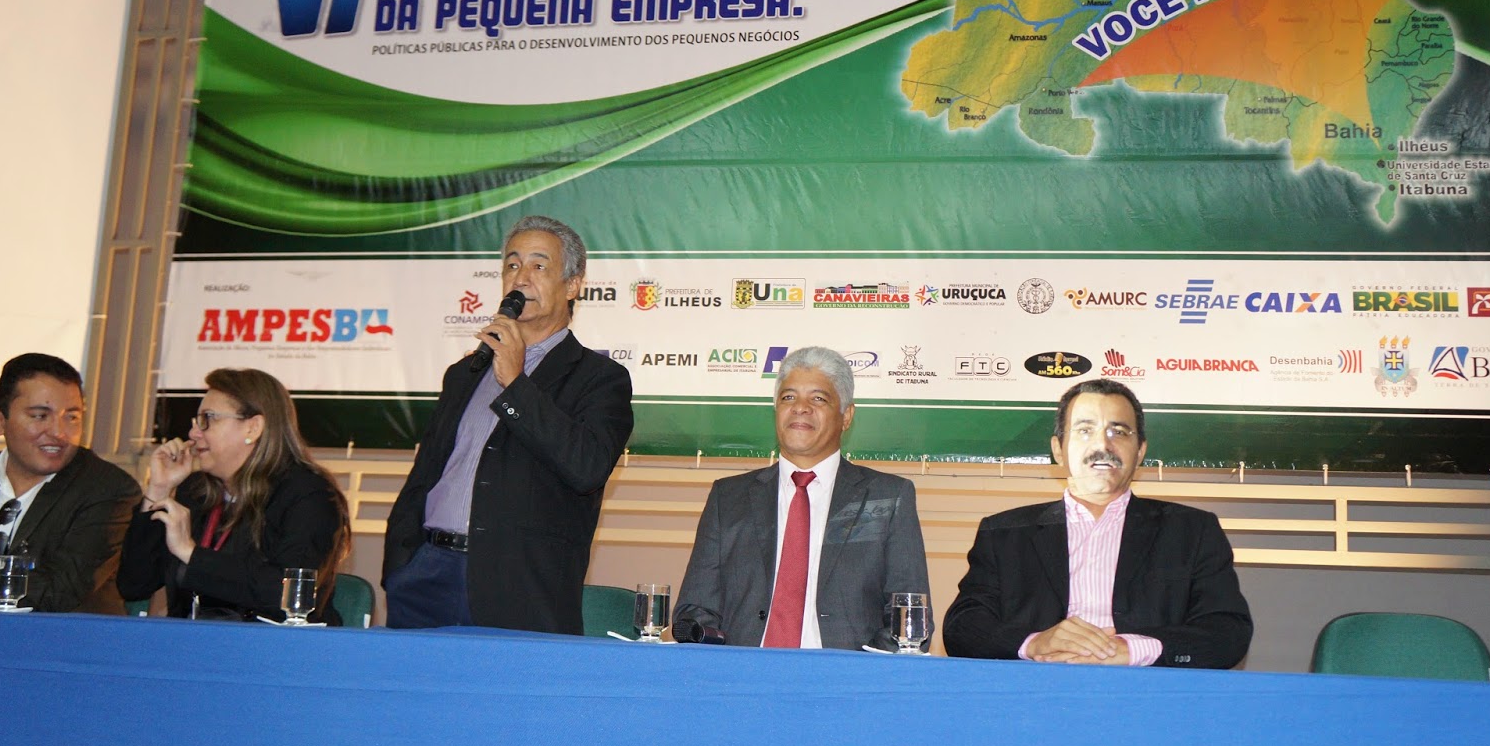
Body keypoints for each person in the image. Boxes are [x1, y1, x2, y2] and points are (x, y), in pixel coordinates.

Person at [382, 215, 633, 632]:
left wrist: (516, 384)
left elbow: (586, 468)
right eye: (512, 265)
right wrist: (401, 563)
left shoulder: (600, 378)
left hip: (519, 588)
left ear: (573, 285)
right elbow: (425, 475)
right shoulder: (464, 374)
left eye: (539, 265)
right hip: (425, 575)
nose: (521, 277)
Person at [943, 379, 1251, 668]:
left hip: (1147, 692)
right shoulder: (1004, 534)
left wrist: (1133, 649)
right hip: (1036, 689)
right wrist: (1034, 643)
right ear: (1058, 449)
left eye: (1119, 431)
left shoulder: (1192, 531)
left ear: (1140, 451)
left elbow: (1228, 632)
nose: (1103, 444)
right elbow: (963, 627)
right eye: (1084, 430)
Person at [674, 346, 932, 650]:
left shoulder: (887, 497)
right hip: (745, 671)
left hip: (844, 674)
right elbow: (695, 609)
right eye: (788, 397)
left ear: (846, 416)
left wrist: (858, 671)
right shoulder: (728, 498)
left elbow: (910, 619)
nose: (800, 407)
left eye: (818, 398)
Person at [117, 368, 351, 623]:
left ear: (253, 428)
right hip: (193, 641)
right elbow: (134, 585)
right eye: (196, 421)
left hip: (272, 645)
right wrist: (159, 489)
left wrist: (190, 553)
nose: (194, 434)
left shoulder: (310, 496)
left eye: (208, 419)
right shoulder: (195, 491)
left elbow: (286, 595)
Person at [0, 353, 140, 612]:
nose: (59, 433)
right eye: (40, 416)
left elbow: (60, 590)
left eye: (72, 417)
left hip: (58, 636)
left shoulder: (109, 489)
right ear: (0, 421)